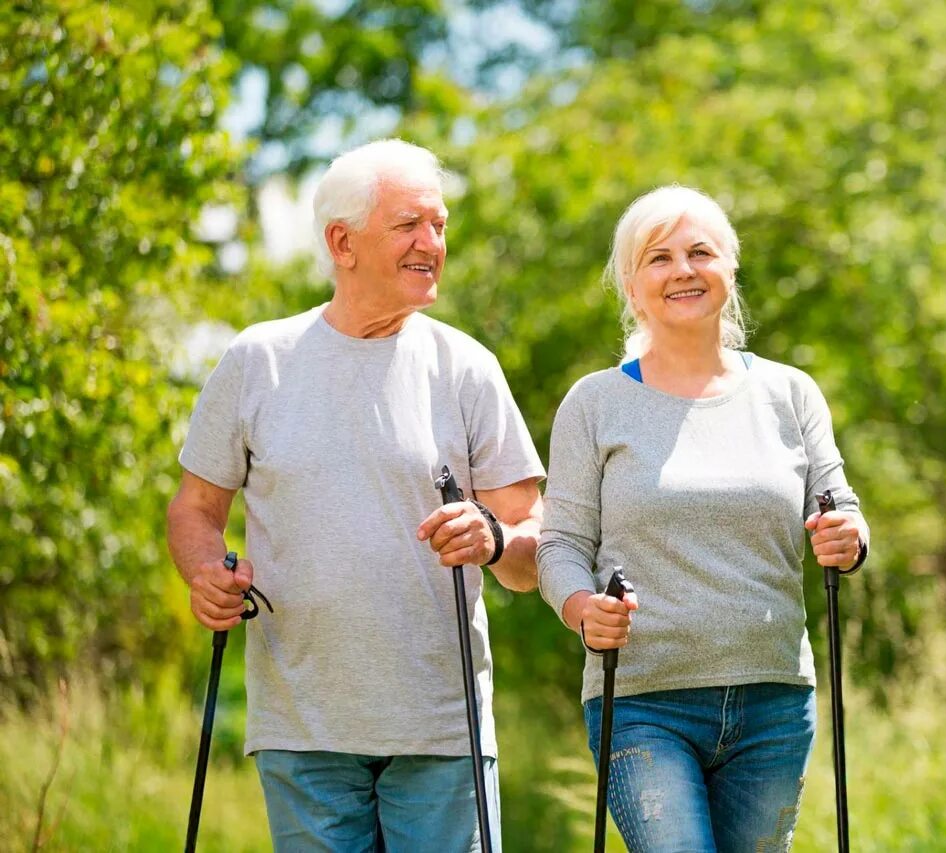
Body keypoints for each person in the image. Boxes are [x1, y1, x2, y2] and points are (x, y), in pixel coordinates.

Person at [166, 139, 544, 852]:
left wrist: (493, 535)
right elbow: (195, 508)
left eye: (439, 225)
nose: (431, 243)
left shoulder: (467, 368)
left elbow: (530, 548)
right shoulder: (257, 361)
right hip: (303, 731)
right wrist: (203, 572)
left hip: (442, 729)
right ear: (343, 241)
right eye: (409, 225)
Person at [536, 185, 870, 852]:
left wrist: (849, 540)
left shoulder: (789, 392)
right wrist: (581, 608)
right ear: (631, 286)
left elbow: (842, 511)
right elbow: (561, 545)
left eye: (699, 252)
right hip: (641, 701)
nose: (682, 270)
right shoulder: (594, 404)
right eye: (658, 258)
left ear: (730, 268)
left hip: (773, 700)